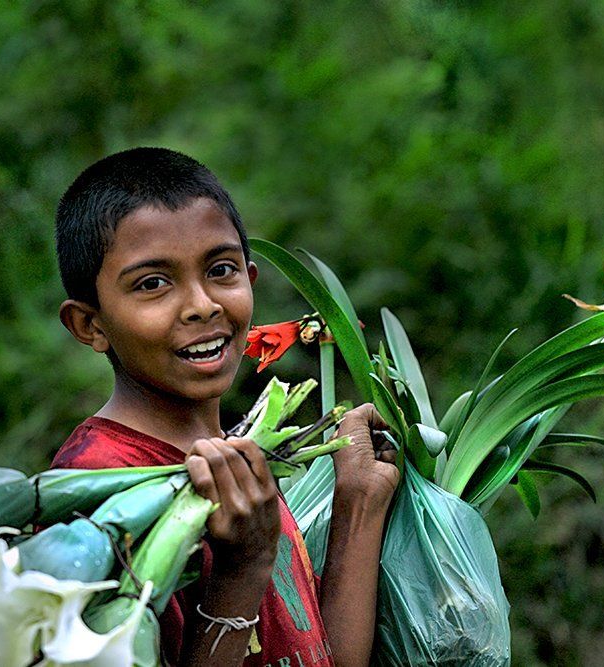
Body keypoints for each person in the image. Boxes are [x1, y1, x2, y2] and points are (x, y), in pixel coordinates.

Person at [51, 147, 399, 667]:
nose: (203, 304)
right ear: (90, 325)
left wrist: (359, 503)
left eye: (220, 270)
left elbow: (320, 655)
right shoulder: (94, 490)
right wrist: (241, 570)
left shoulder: (238, 461)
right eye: (152, 283)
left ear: (250, 280)